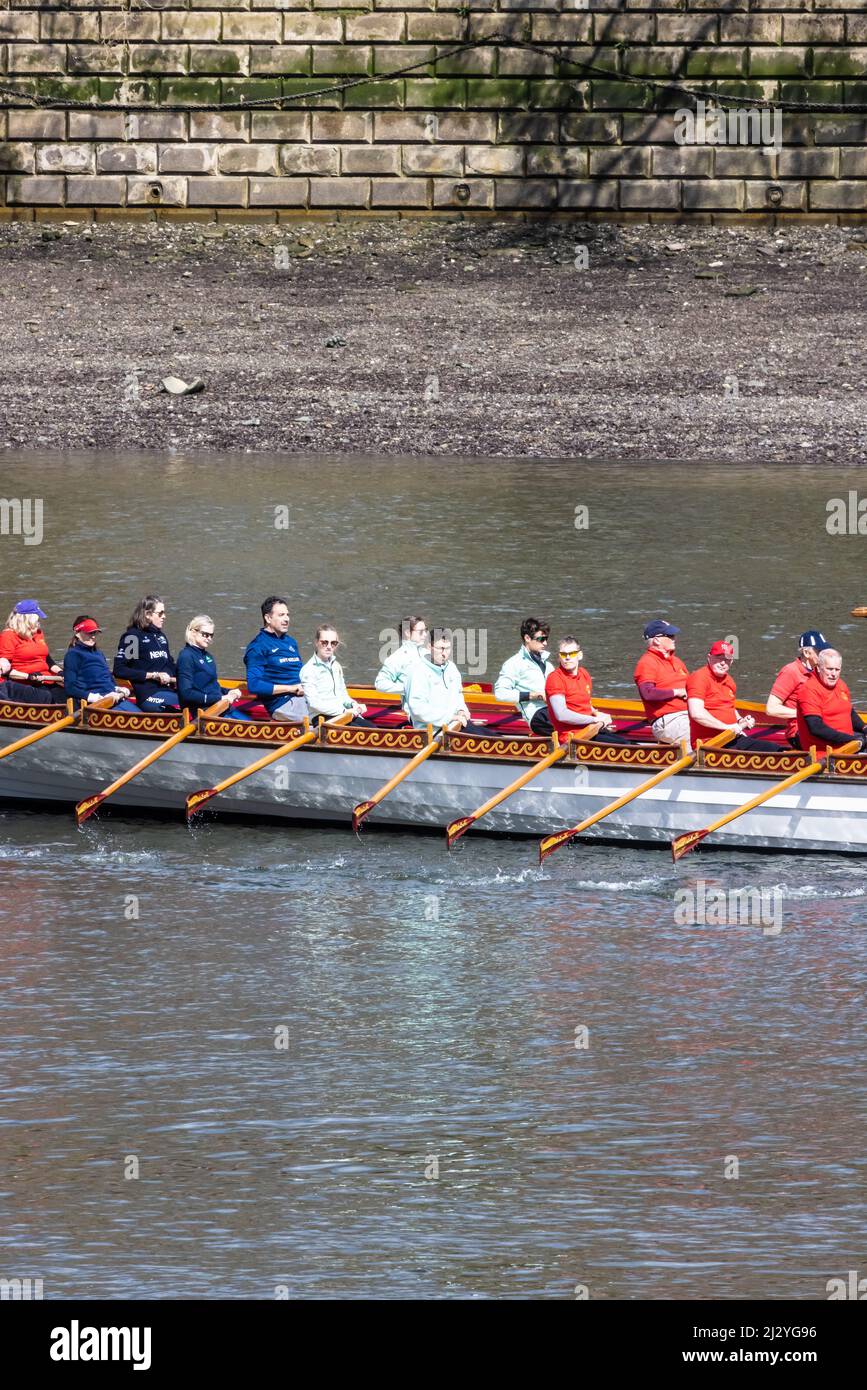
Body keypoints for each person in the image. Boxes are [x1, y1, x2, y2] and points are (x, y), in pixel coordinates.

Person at [686, 641, 780, 751]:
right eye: (719, 657)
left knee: (776, 749)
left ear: (731, 662)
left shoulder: (729, 681)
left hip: (730, 738)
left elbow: (730, 707)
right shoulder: (699, 678)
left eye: (727, 659)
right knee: (773, 750)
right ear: (709, 657)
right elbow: (696, 713)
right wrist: (727, 727)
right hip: (710, 744)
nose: (722, 663)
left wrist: (740, 720)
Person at [544, 637, 630, 744]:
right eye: (563, 654)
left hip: (590, 730)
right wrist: (594, 720)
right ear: (559, 657)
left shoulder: (584, 674)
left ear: (580, 655)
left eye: (572, 654)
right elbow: (561, 715)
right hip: (572, 738)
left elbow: (586, 704)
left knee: (628, 743)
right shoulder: (555, 679)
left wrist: (597, 713)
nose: (567, 658)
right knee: (625, 746)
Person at [403, 630, 483, 733]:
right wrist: (450, 717)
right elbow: (417, 710)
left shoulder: (452, 668)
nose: (444, 653)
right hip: (432, 731)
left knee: (494, 738)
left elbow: (458, 696)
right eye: (441, 649)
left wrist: (462, 710)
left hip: (456, 725)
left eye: (447, 649)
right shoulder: (417, 671)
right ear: (429, 647)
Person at [244, 596, 308, 721]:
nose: (286, 619)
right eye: (281, 615)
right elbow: (254, 685)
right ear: (268, 618)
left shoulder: (291, 642)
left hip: (304, 696)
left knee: (341, 711)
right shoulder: (258, 647)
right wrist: (292, 688)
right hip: (282, 704)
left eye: (287, 615)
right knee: (324, 719)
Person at [113, 594, 180, 712]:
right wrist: (153, 675)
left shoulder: (160, 637)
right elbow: (121, 670)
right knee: (188, 704)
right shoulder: (133, 638)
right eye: (160, 613)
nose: (164, 616)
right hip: (149, 694)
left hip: (168, 690)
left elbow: (170, 666)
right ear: (148, 615)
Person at [177, 615, 250, 721]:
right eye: (205, 635)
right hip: (203, 712)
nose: (209, 639)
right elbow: (186, 694)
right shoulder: (186, 656)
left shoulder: (207, 656)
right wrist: (220, 698)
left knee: (251, 723)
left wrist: (228, 691)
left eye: (211, 635)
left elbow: (211, 686)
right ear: (193, 632)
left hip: (220, 707)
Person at [795, 648, 867, 755]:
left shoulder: (841, 685)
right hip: (824, 755)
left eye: (837, 670)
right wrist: (850, 739)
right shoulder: (809, 690)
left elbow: (849, 712)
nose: (833, 674)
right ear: (819, 668)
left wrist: (864, 728)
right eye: (829, 669)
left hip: (848, 747)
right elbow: (816, 728)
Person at [766, 629, 829, 748]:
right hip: (798, 732)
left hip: (819, 727)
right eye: (820, 651)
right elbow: (771, 709)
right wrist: (806, 714)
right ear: (806, 653)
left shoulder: (819, 671)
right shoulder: (791, 671)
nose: (824, 655)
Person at [634, 619, 690, 746]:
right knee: (699, 734)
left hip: (688, 714)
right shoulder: (647, 662)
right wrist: (677, 692)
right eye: (670, 636)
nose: (674, 638)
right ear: (657, 640)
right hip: (669, 720)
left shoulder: (677, 662)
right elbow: (647, 693)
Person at [494, 618, 554, 735]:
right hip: (536, 715)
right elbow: (500, 693)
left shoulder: (549, 666)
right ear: (527, 638)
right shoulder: (513, 664)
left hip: (553, 710)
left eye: (546, 639)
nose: (545, 643)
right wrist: (534, 695)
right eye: (541, 639)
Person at [63, 617, 138, 710]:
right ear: (77, 633)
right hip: (96, 704)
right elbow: (70, 688)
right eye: (89, 633)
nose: (93, 636)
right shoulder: (73, 655)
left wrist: (117, 688)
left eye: (94, 633)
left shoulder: (98, 653)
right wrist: (94, 697)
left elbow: (107, 677)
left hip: (112, 698)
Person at [0, 599, 65, 703]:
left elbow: (47, 659)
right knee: (46, 696)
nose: (39, 623)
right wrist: (29, 676)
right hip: (24, 681)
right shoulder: (8, 636)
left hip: (45, 679)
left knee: (67, 693)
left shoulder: (38, 633)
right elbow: (6, 672)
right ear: (26, 619)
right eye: (37, 619)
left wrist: (60, 672)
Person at [300, 625, 367, 723]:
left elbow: (343, 695)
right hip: (321, 717)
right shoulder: (308, 670)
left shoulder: (336, 666)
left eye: (333, 643)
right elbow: (314, 704)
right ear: (316, 642)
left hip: (342, 714)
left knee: (373, 729)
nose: (329, 647)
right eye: (324, 642)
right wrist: (344, 711)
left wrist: (353, 704)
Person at [374, 616, 428, 693]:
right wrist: (408, 688)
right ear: (407, 633)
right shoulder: (398, 657)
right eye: (421, 631)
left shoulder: (428, 654)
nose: (425, 634)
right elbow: (380, 684)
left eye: (426, 630)